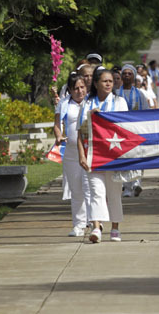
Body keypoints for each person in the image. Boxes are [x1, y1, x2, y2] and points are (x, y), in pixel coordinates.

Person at [77, 69, 128, 243]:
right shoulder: (87, 103)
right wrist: (81, 156)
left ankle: (115, 228)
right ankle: (97, 227)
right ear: (96, 83)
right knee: (96, 192)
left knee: (114, 193)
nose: (108, 84)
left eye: (111, 81)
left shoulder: (119, 102)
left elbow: (125, 127)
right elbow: (79, 133)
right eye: (104, 81)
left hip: (114, 155)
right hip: (93, 155)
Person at [53, 73, 89, 237]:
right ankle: (78, 225)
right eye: (76, 88)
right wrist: (59, 136)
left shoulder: (91, 102)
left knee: (90, 187)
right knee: (76, 190)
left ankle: (94, 221)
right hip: (71, 152)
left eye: (82, 87)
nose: (79, 91)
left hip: (90, 152)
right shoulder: (64, 104)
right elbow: (57, 125)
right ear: (69, 90)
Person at [117, 64, 149, 198]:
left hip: (136, 131)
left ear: (134, 76)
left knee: (137, 158)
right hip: (120, 131)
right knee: (125, 158)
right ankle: (127, 188)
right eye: (125, 73)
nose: (127, 76)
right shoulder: (116, 94)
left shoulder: (140, 94)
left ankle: (136, 183)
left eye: (130, 74)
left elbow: (146, 112)